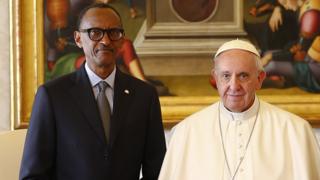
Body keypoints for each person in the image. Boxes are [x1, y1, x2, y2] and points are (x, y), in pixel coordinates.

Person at [19, 3, 166, 180]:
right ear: (78, 38)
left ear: (121, 39)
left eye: (114, 33)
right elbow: (33, 175)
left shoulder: (145, 96)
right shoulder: (52, 96)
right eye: (95, 33)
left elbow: (157, 171)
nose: (105, 41)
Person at [159, 39, 320, 180]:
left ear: (259, 79)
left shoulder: (295, 131)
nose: (234, 86)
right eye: (226, 76)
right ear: (215, 78)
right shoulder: (186, 132)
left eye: (243, 76)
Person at [262, 0, 320, 92]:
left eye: (285, 2)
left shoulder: (311, 15)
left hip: (314, 65)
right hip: (308, 58)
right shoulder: (306, 6)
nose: (285, 7)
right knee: (266, 54)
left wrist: (270, 57)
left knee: (271, 65)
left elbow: (299, 54)